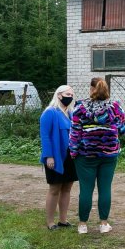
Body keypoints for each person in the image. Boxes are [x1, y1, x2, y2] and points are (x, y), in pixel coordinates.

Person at [69, 78, 125, 235]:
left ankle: (82, 225)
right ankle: (103, 224)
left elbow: (74, 133)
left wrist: (73, 152)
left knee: (86, 189)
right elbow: (122, 130)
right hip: (109, 154)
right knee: (105, 188)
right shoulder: (115, 107)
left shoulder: (80, 107)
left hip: (85, 155)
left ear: (91, 89)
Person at [39, 85, 78, 229]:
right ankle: (50, 222)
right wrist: (48, 156)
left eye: (72, 94)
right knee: (54, 189)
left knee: (67, 188)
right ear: (59, 95)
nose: (70, 96)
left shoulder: (71, 113)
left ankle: (63, 220)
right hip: (55, 156)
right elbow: (45, 136)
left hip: (71, 156)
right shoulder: (50, 113)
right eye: (67, 94)